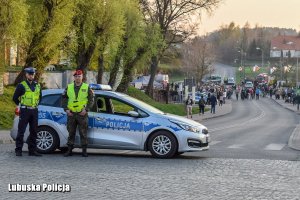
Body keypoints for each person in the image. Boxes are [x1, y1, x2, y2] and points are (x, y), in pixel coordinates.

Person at [62, 69, 94, 157]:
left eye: (79, 76)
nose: (77, 78)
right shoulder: (69, 87)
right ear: (74, 77)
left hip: (82, 114)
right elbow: (64, 98)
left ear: (82, 77)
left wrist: (86, 109)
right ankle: (69, 150)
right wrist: (66, 109)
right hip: (71, 114)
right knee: (71, 132)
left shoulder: (86, 87)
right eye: (76, 76)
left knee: (83, 133)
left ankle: (84, 151)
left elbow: (91, 99)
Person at [13, 67, 42, 156]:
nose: (31, 75)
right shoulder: (21, 85)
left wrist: (35, 106)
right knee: (21, 131)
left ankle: (32, 151)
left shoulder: (37, 85)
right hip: (24, 111)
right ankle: (18, 150)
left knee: (34, 131)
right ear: (26, 75)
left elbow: (40, 97)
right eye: (29, 74)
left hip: (34, 111)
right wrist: (21, 105)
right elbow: (14, 98)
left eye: (32, 74)